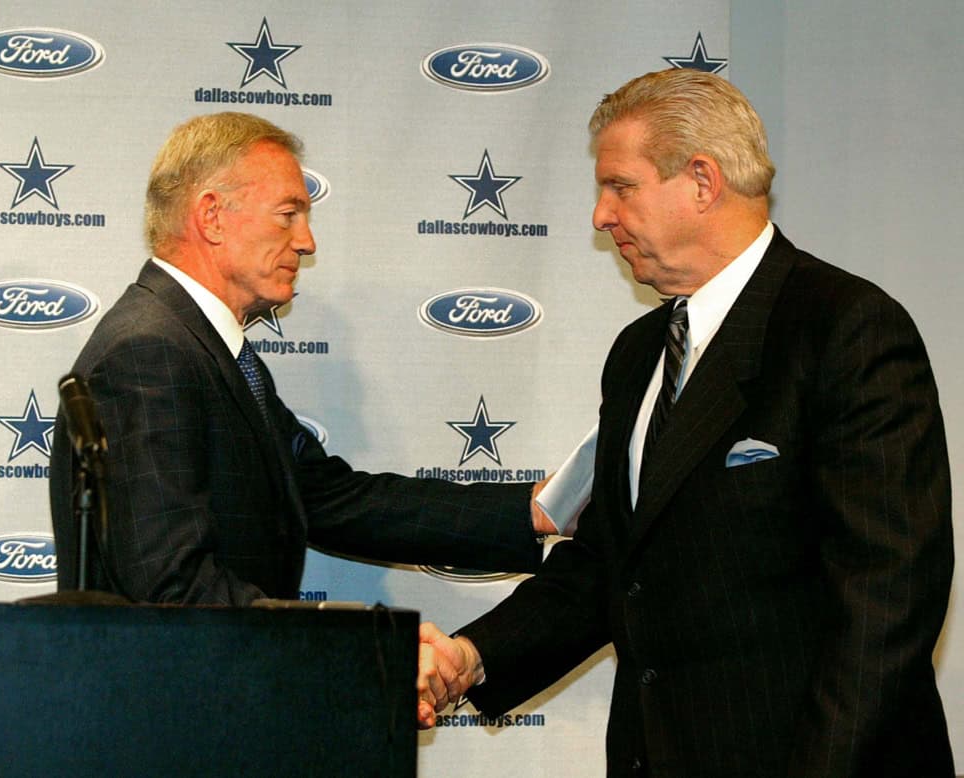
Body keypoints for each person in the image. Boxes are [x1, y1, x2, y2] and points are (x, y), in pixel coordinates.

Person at [418, 69, 954, 777]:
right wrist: (470, 656)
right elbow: (611, 562)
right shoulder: (638, 353)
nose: (600, 216)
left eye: (620, 186)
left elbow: (887, 599)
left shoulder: (845, 328)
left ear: (702, 181)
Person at [49, 112, 554, 604]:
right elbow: (170, 585)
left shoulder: (202, 346)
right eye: (288, 215)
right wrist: (337, 642)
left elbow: (330, 497)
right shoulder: (149, 352)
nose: (306, 242)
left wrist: (531, 509)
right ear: (211, 217)